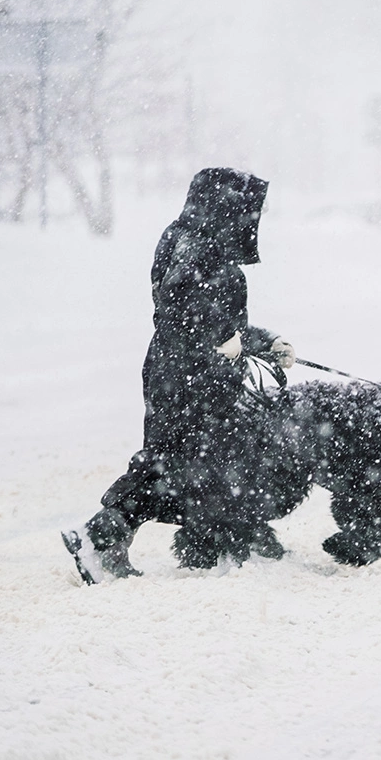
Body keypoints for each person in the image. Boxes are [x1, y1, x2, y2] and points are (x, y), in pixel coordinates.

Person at [62, 167, 296, 583]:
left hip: (189, 372)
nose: (249, 220)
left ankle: (232, 538)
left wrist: (263, 341)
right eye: (244, 210)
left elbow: (211, 316)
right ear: (224, 206)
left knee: (198, 461)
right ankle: (100, 538)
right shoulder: (195, 244)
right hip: (186, 378)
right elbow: (178, 303)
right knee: (174, 462)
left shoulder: (198, 240)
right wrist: (222, 339)